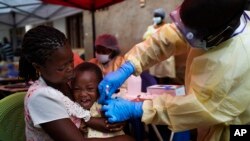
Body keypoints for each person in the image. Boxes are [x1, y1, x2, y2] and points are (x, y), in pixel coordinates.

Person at [98, 0, 249, 141]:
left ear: (221, 32)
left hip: (236, 130)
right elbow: (170, 37)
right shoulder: (210, 23)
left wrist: (139, 109)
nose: (186, 34)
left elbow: (200, 108)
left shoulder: (240, 61)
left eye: (193, 35)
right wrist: (129, 64)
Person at [19, 25, 134, 141]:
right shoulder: (41, 97)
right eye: (61, 67)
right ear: (39, 67)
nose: (70, 69)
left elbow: (90, 112)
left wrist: (114, 118)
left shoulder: (66, 82)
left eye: (71, 62)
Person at [71, 62, 126, 138]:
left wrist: (85, 121)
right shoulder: (73, 107)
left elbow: (112, 125)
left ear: (100, 87)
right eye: (77, 89)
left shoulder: (103, 103)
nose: (83, 94)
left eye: (90, 89)